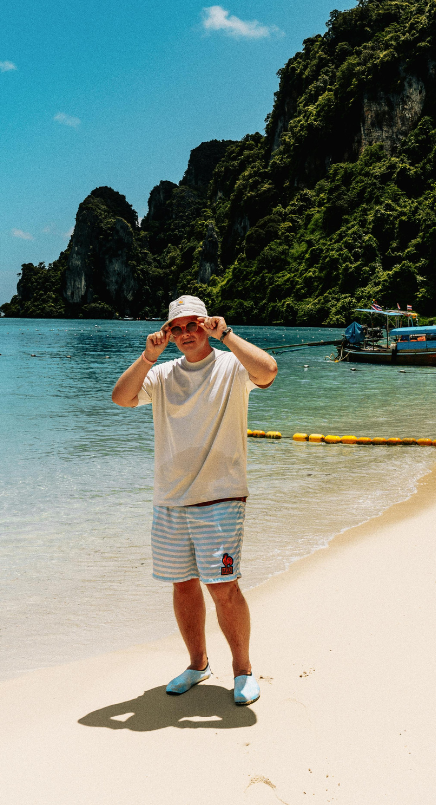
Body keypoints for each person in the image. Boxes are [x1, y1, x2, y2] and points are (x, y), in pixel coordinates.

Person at [111, 295, 278, 707]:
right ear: (168, 333)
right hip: (169, 500)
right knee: (183, 586)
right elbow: (122, 398)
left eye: (194, 325)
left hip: (220, 497)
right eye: (176, 328)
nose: (186, 333)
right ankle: (198, 664)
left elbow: (268, 372)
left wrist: (229, 335)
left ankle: (243, 670)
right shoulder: (163, 374)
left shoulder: (231, 366)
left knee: (222, 587)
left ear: (207, 325)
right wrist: (148, 356)